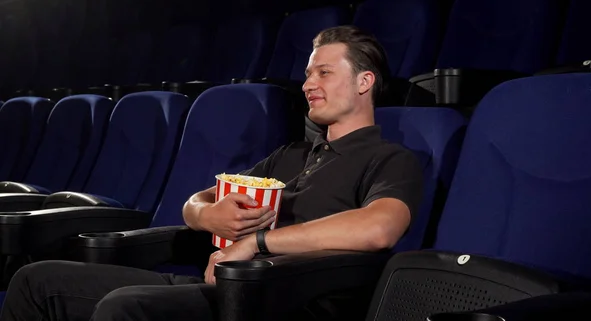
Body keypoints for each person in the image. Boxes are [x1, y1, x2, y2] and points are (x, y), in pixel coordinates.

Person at [0, 25, 423, 321]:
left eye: (324, 72)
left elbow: (379, 227)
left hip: (281, 300)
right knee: (36, 279)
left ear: (365, 81)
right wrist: (207, 216)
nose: (308, 83)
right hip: (224, 285)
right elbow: (197, 200)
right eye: (308, 72)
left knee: (126, 306)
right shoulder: (290, 154)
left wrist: (256, 243)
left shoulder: (390, 158)